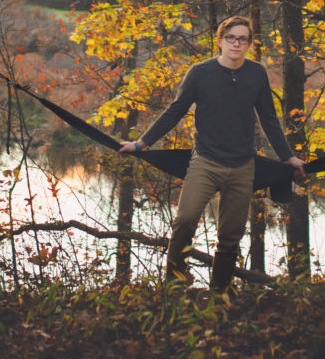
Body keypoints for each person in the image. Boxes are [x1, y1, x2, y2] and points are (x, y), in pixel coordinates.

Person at [118, 16, 306, 292]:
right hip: (205, 162)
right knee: (184, 221)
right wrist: (142, 144)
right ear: (220, 40)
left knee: (230, 236)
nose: (236, 43)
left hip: (243, 165)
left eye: (242, 39)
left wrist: (288, 157)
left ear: (249, 44)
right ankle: (174, 287)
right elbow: (176, 109)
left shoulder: (256, 74)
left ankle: (220, 294)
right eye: (231, 37)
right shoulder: (200, 73)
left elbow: (268, 118)